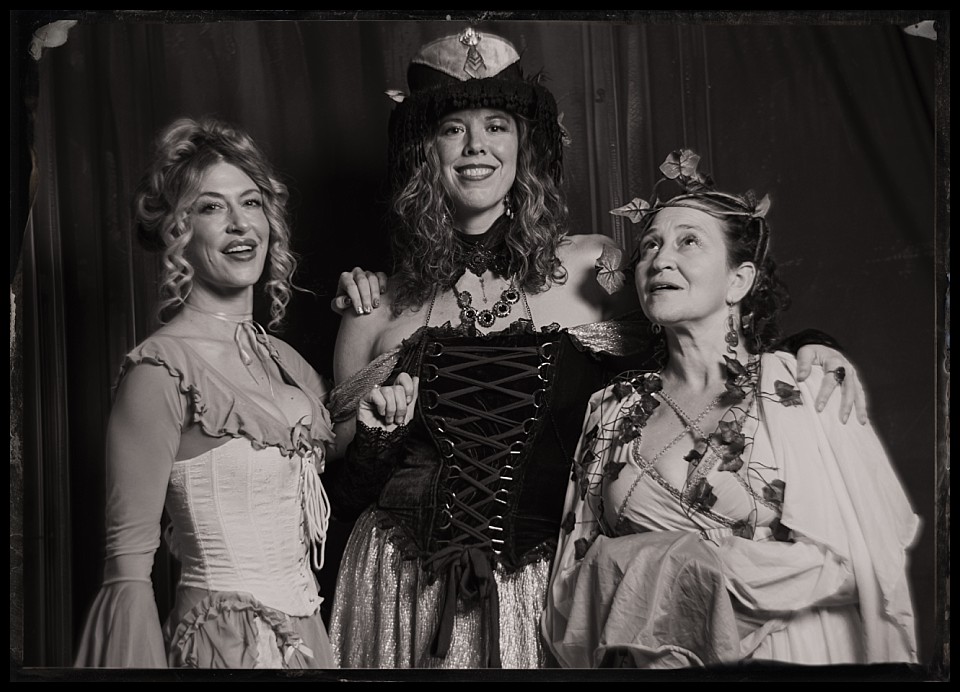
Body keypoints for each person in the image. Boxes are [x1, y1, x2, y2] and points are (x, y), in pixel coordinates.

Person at [324, 28, 865, 669]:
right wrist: (381, 437)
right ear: (426, 151)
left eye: (496, 125)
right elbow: (343, 486)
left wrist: (805, 348)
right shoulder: (375, 305)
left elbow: (696, 345)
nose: (476, 146)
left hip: (540, 585)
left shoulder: (594, 267)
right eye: (452, 129)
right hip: (396, 586)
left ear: (524, 146)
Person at [542, 151, 919, 668]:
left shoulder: (804, 386)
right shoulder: (609, 407)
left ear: (739, 281)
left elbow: (860, 559)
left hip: (786, 657)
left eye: (688, 241)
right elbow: (570, 578)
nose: (660, 259)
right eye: (650, 245)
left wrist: (688, 571)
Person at [72, 117, 345, 668]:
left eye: (251, 203)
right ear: (178, 230)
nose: (242, 225)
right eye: (212, 207)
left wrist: (381, 397)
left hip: (308, 638)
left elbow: (326, 454)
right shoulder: (159, 370)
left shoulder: (283, 360)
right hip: (221, 644)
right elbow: (127, 566)